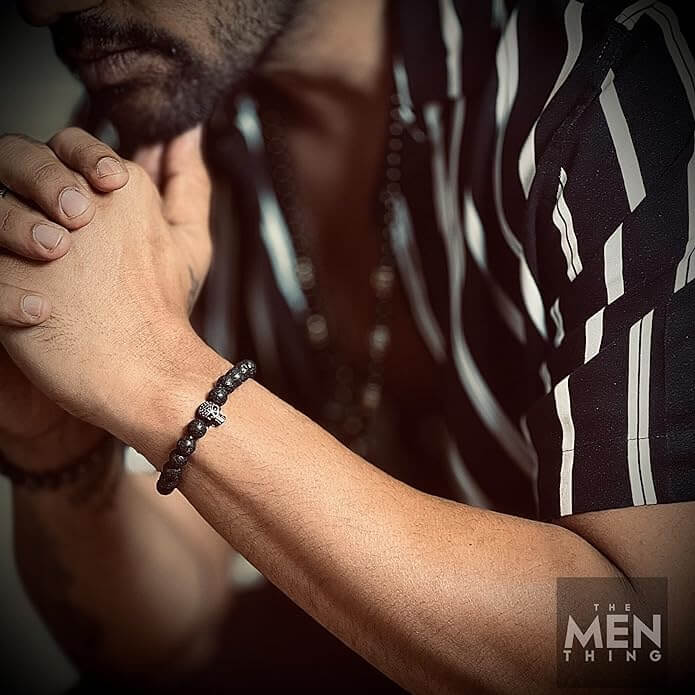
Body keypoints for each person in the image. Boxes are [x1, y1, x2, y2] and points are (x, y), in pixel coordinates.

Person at [1, 0, 693, 691]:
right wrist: (59, 451)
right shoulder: (158, 113)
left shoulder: (608, 81)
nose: (39, 10)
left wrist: (162, 374)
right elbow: (157, 640)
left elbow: (644, 636)